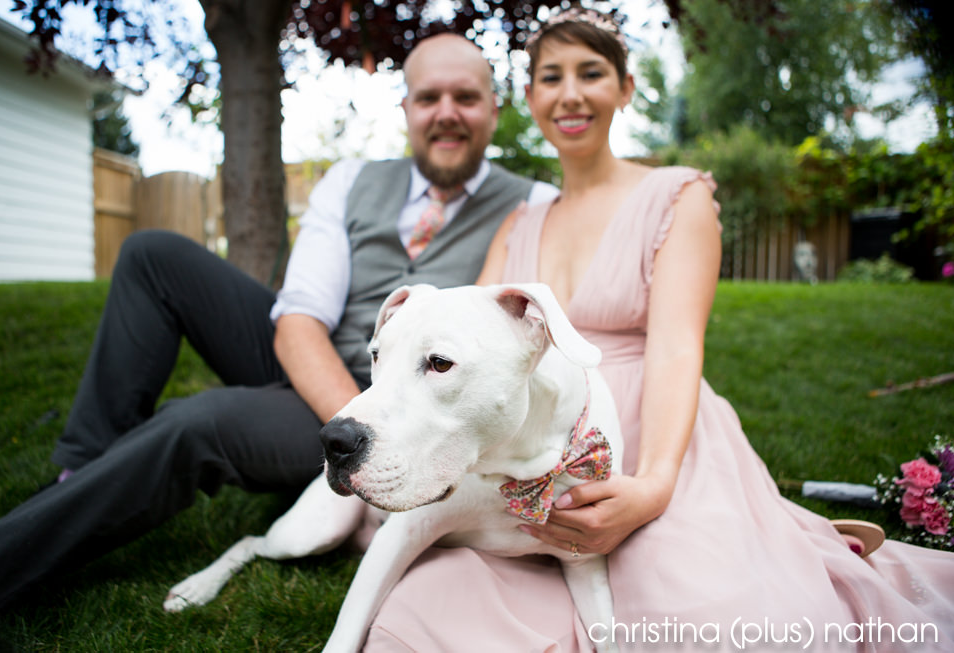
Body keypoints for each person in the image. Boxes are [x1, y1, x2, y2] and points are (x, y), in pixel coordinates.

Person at [362, 8, 954, 651]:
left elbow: (676, 345)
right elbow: (471, 356)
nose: (570, 94)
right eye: (551, 77)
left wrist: (653, 487)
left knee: (707, 618)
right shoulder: (518, 224)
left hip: (656, 424)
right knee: (431, 615)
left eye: (591, 73)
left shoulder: (678, 195)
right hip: (538, 432)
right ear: (529, 98)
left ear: (625, 87)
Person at [0, 32, 557, 619]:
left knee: (193, 422)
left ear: (493, 108)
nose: (447, 113)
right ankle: (81, 468)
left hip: (426, 398)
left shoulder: (533, 205)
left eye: (466, 97)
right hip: (329, 373)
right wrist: (362, 423)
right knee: (153, 255)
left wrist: (374, 439)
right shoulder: (351, 181)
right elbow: (299, 320)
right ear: (405, 107)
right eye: (429, 97)